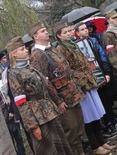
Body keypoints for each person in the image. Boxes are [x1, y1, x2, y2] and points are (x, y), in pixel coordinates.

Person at [54, 21, 116, 155]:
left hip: (88, 82)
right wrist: (82, 76)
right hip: (79, 86)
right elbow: (67, 69)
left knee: (96, 113)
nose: (69, 33)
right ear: (59, 36)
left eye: (70, 30)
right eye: (65, 32)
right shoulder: (60, 49)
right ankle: (95, 145)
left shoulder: (74, 44)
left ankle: (102, 142)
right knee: (88, 116)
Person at [6, 36, 72, 155]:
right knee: (49, 150)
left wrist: (57, 102)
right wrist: (32, 126)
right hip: (38, 117)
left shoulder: (31, 67)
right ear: (14, 54)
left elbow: (46, 87)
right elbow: (21, 103)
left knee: (61, 145)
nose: (26, 50)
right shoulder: (14, 74)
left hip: (49, 111)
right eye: (22, 49)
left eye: (25, 48)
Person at [28, 22, 86, 155]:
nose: (46, 32)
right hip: (62, 99)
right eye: (42, 31)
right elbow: (43, 82)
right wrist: (58, 101)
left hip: (72, 94)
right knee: (70, 132)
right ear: (35, 36)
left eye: (46, 29)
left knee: (78, 130)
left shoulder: (52, 48)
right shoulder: (37, 55)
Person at [75, 22, 117, 138]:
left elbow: (102, 55)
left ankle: (112, 120)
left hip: (101, 72)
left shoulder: (93, 40)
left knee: (107, 98)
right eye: (82, 29)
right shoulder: (77, 46)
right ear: (77, 33)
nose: (86, 31)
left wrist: (106, 72)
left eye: (86, 29)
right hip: (92, 78)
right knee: (101, 101)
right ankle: (107, 124)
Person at [102, 10, 117, 98]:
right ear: (108, 20)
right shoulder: (108, 35)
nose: (116, 19)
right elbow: (111, 54)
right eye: (114, 18)